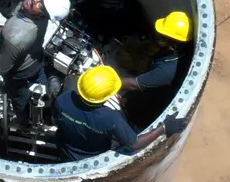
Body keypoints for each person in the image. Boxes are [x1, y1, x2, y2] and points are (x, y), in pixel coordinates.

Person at [54, 65, 182, 158]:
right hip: (91, 155)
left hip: (64, 148)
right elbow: (134, 144)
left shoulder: (63, 99)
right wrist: (163, 127)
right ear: (106, 96)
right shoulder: (110, 118)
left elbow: (54, 119)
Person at [0, 0, 68, 89]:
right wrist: (3, 31)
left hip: (21, 72)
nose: (34, 0)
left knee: (19, 98)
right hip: (37, 58)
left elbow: (1, 68)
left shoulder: (15, 38)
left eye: (41, 5)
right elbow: (16, 20)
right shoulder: (33, 13)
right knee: (40, 78)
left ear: (44, 15)